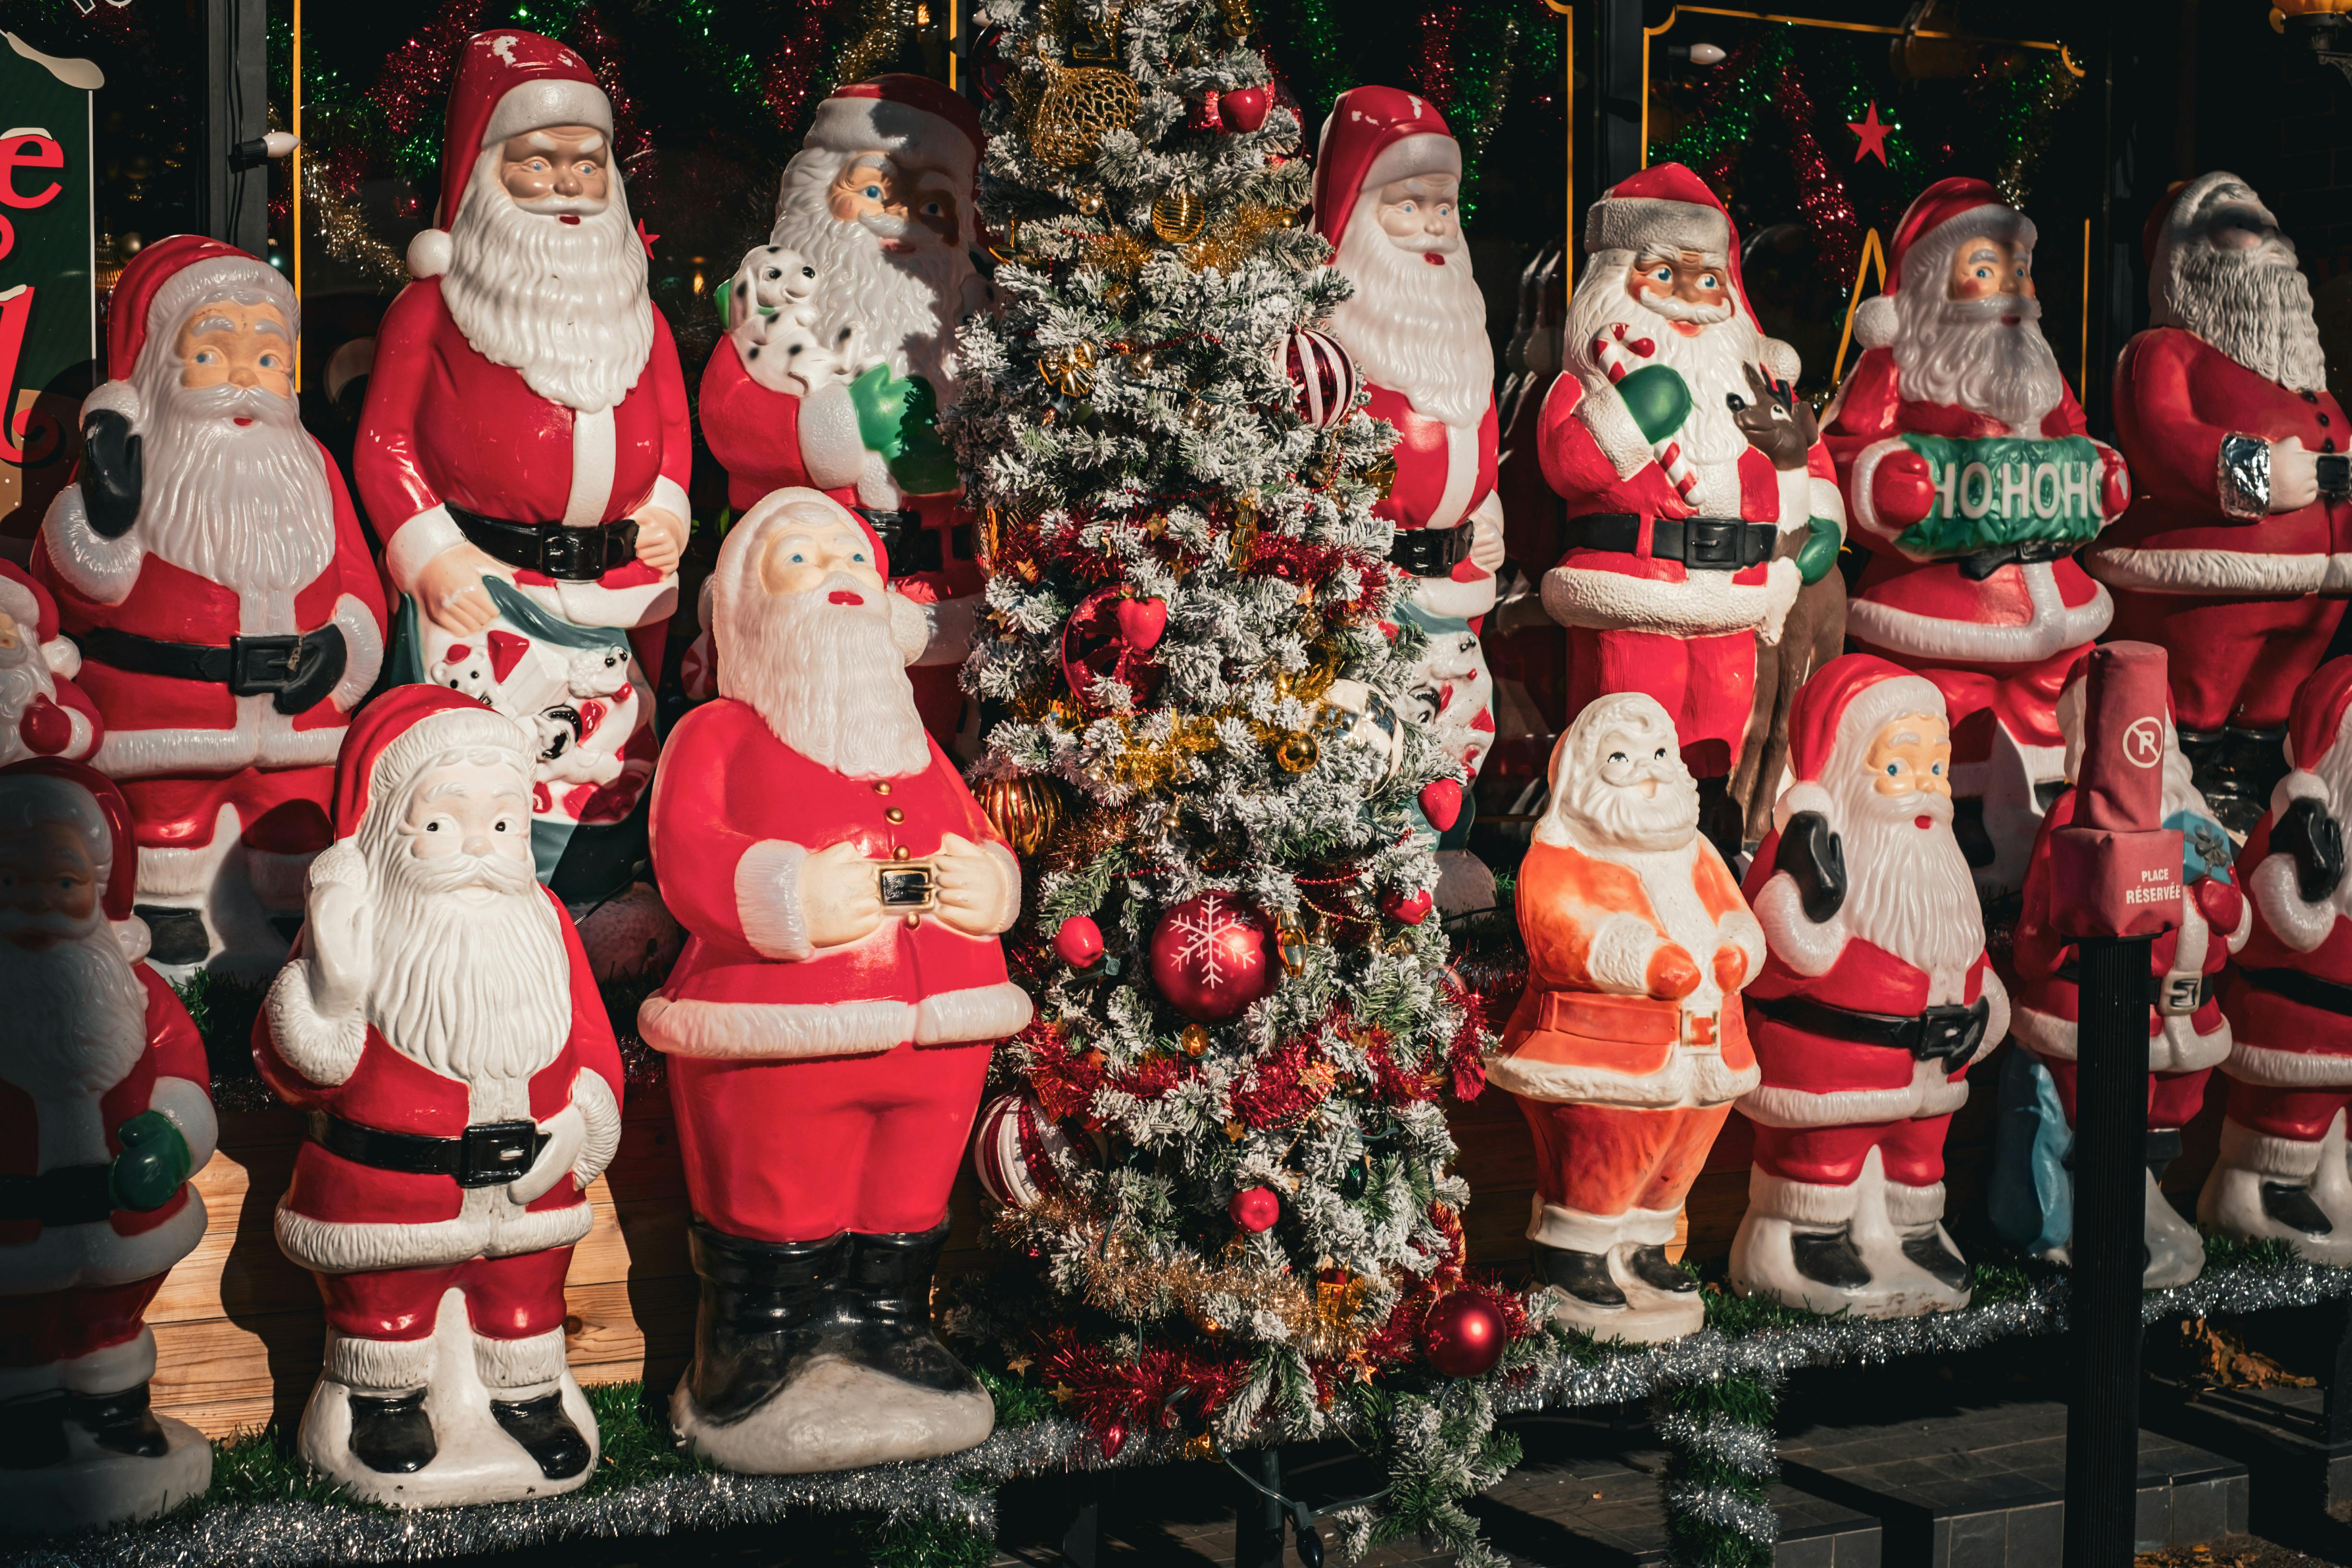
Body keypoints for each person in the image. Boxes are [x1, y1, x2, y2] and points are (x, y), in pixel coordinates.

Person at [641, 486, 1029, 1472]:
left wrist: (991, 883)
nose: (838, 582)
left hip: (939, 1028)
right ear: (747, 610)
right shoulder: (716, 737)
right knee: (782, 1196)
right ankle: (761, 1350)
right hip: (783, 1036)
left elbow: (978, 837)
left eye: (852, 561)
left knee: (905, 1202)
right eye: (801, 564)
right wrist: (788, 896)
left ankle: (891, 1329)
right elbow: (690, 850)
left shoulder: (922, 749)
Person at [256, 686, 624, 1504]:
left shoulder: (543, 919)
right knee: (386, 1311)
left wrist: (582, 1118)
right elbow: (295, 1065)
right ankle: (382, 1400)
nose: (478, 848)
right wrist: (336, 987)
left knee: (524, 1303)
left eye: (503, 824)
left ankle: (528, 1396)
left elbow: (595, 1045)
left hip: (532, 1188)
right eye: (440, 824)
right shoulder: (360, 924)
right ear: (387, 832)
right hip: (390, 1195)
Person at [356, 28, 690, 904]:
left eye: (586, 165)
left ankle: (595, 916)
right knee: (482, 775)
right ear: (485, 173)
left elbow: (673, 435)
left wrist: (667, 503)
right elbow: (384, 442)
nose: (567, 188)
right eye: (537, 165)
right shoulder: (433, 308)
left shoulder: (640, 317)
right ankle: (481, 919)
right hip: (485, 585)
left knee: (609, 759)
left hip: (613, 592)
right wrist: (434, 552)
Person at [34, 237, 387, 975]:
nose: (244, 381)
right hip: (167, 717)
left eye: (267, 361)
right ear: (160, 366)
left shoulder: (313, 466)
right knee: (169, 827)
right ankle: (171, 930)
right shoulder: (141, 465)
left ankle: (293, 931)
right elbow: (81, 590)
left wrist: (343, 650)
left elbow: (360, 585)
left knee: (295, 834)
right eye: (213, 355)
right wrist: (99, 502)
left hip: (299, 726)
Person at [1820, 178, 2130, 894]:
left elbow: (2079, 440)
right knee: (1950, 723)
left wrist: (2102, 473)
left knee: (2056, 718)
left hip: (2059, 601)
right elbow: (1842, 451)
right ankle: (1952, 847)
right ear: (1936, 283)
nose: (2009, 292)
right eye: (1986, 272)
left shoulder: (2040, 369)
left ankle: (2049, 841)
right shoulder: (1897, 362)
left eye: (2017, 271)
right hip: (1942, 610)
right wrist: (1883, 477)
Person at [1538, 163, 1844, 857]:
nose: (1690, 300)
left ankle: (1712, 860)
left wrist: (1807, 505)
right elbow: (1567, 464)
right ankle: (1617, 867)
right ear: (1620, 279)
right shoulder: (1587, 380)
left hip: (1731, 605)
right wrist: (1623, 417)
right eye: (1664, 277)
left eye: (1708, 280)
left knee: (1719, 740)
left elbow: (1796, 479)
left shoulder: (1748, 381)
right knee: (1631, 732)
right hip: (1635, 591)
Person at [697, 77, 987, 747]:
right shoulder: (772, 329)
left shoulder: (971, 329)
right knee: (799, 740)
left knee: (933, 743)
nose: (902, 220)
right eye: (876, 193)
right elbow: (731, 419)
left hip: (936, 590)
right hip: (804, 587)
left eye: (933, 207)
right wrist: (832, 425)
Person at [1731, 654, 2007, 1317]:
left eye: (1935, 769)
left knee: (1918, 1162)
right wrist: (1804, 888)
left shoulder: (1940, 857)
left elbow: (1962, 944)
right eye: (1896, 768)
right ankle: (1808, 1234)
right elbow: (1779, 958)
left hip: (1934, 1066)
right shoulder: (1810, 848)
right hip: (1834, 1069)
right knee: (1825, 1161)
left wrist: (1985, 1007)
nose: (1923, 790)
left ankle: (1912, 1232)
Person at [1484, 691, 1764, 1343]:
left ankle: (1646, 1246)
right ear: (1584, 776)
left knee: (1678, 1158)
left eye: (1661, 753)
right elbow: (1562, 930)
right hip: (1604, 1056)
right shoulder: (1560, 856)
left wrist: (1737, 949)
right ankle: (1574, 1251)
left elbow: (1734, 913)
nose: (1649, 769)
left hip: (1706, 1051)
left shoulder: (1695, 850)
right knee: (1604, 1153)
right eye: (1622, 758)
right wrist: (1641, 959)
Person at [2089, 173, 2352, 831]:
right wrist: (2266, 475)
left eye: (2271, 228)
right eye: (2243, 227)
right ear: (2189, 259)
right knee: (2202, 698)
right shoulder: (2164, 352)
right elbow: (2164, 440)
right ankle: (2193, 795)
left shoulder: (2304, 376)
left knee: (2275, 711)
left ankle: (2259, 787)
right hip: (2216, 580)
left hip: (2317, 583)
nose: (2270, 241)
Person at [0, 760, 215, 1530]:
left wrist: (172, 1132)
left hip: (125, 1221)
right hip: (16, 1223)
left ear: (98, 886)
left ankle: (115, 1410)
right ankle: (22, 1417)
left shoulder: (135, 990)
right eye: (10, 885)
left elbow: (184, 1070)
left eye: (62, 885)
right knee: (18, 1330)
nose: (36, 907)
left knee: (110, 1321)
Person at [1312, 85, 1508, 908]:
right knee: (1379, 728)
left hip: (1458, 590)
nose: (1433, 225)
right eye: (1407, 206)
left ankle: (1449, 849)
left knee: (1462, 719)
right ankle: (1381, 865)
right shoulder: (1335, 351)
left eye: (1443, 206)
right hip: (1375, 594)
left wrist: (1486, 516)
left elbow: (1477, 451)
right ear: (1356, 212)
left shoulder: (1460, 336)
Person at [1994, 662, 2242, 1287]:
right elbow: (2040, 925)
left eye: (2153, 729)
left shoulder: (2198, 821)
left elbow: (2238, 922)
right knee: (2100, 1122)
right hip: (2099, 1015)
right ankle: (2100, 1225)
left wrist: (2222, 906)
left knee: (2164, 1124)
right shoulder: (2076, 817)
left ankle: (2136, 1214)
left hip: (2187, 1018)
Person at [2201, 658, 2352, 1262]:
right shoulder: (2294, 834)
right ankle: (2259, 1189)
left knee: (2340, 1128)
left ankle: (2334, 1183)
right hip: (2294, 1021)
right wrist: (2300, 881)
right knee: (2289, 1120)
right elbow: (2261, 932)